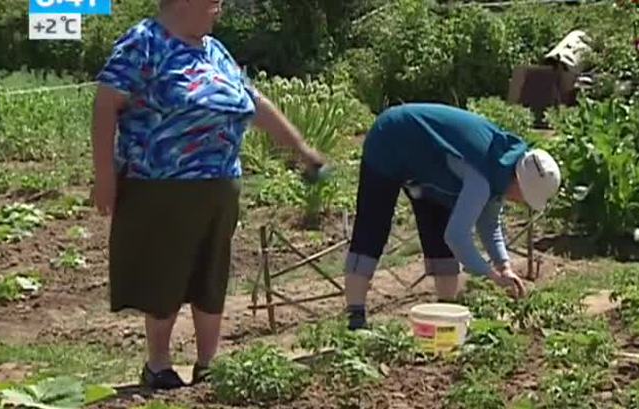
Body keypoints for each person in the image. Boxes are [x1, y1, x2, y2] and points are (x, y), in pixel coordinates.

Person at [90, 0, 325, 389]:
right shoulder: (144, 42)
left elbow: (254, 103)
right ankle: (159, 365)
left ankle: (208, 363)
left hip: (219, 183)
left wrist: (300, 147)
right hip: (161, 185)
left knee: (211, 276)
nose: (219, 10)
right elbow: (105, 104)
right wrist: (104, 175)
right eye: (214, 2)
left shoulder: (214, 50)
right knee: (164, 273)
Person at [344, 102, 561, 330]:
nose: (522, 202)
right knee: (373, 227)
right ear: (519, 182)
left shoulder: (502, 168)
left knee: (439, 221)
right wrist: (491, 275)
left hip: (429, 162)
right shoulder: (483, 176)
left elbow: (489, 225)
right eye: (526, 197)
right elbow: (457, 237)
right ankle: (356, 319)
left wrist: (504, 266)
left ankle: (445, 315)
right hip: (390, 138)